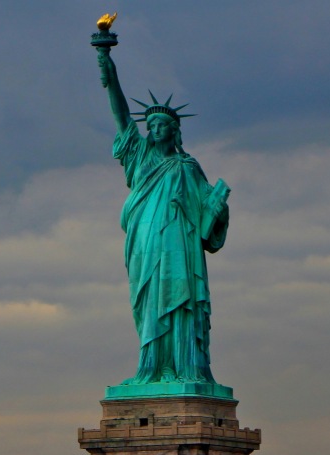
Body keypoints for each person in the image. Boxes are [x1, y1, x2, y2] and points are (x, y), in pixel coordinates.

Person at [95, 41, 231, 388]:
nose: (154, 130)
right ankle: (152, 367)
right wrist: (107, 64)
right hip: (144, 241)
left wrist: (218, 207)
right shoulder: (139, 158)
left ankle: (186, 367)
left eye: (161, 126)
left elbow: (207, 221)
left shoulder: (188, 167)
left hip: (180, 247)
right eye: (151, 125)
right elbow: (121, 113)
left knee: (180, 300)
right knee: (148, 300)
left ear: (174, 130)